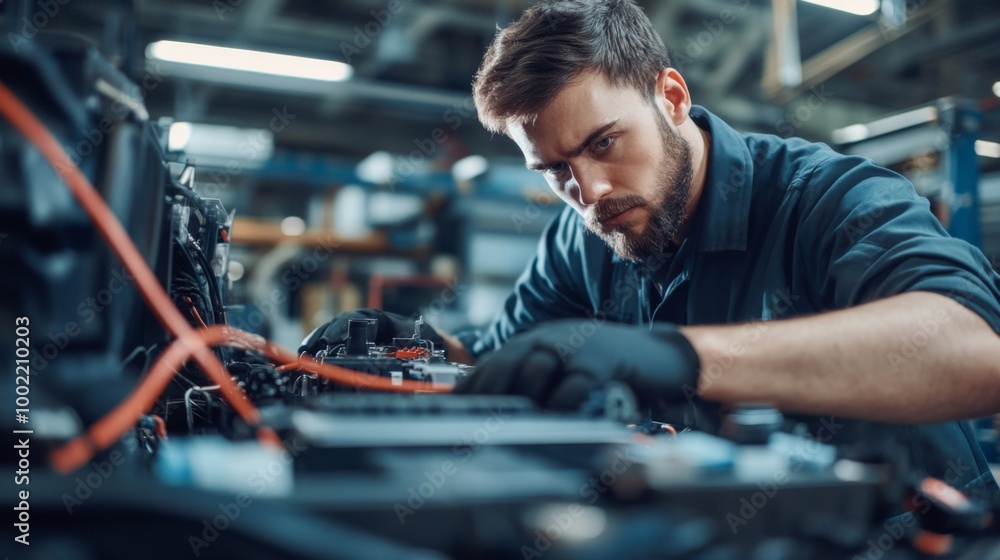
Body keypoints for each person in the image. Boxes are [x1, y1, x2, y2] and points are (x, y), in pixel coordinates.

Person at [303, 0, 1000, 504]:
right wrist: (414, 346)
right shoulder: (584, 239)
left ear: (670, 96)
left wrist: (685, 357)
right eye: (555, 171)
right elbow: (511, 359)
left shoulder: (824, 199)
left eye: (604, 142)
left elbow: (976, 351)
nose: (591, 190)